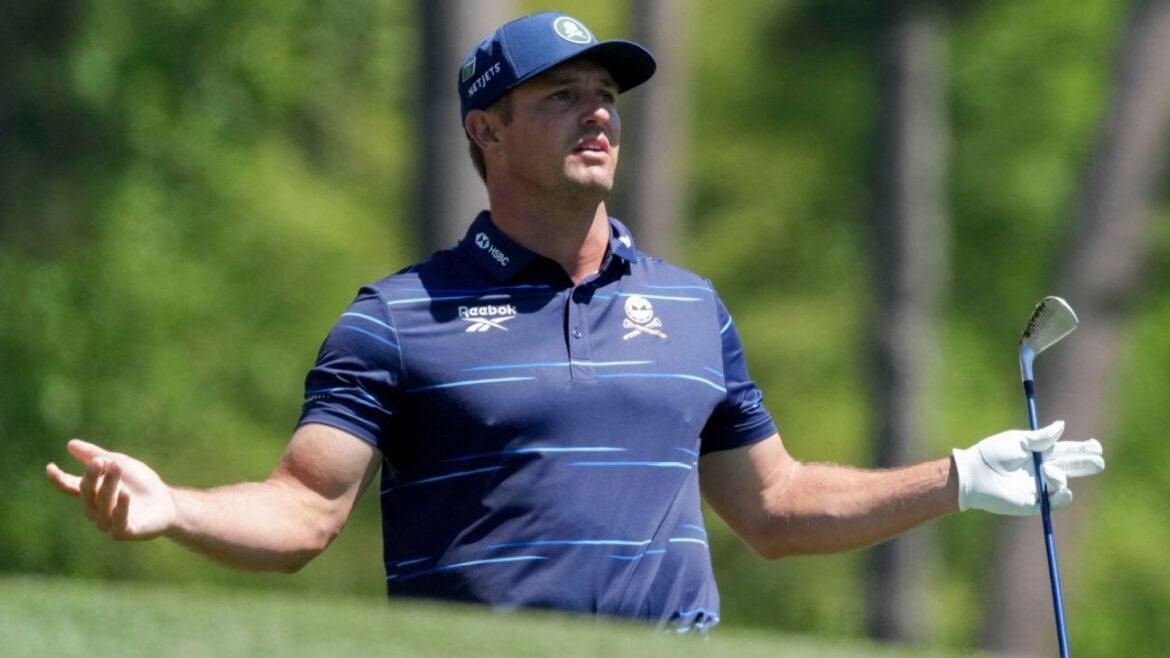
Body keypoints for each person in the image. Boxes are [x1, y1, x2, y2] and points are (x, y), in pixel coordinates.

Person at [45, 11, 1104, 633]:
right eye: (560, 96)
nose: (597, 111)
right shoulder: (397, 318)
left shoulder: (691, 307)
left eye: (606, 93)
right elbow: (302, 511)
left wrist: (956, 476)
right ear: (486, 130)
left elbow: (775, 506)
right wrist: (174, 507)